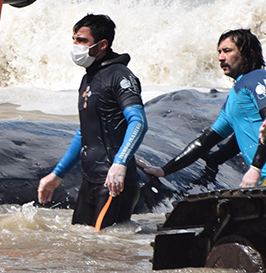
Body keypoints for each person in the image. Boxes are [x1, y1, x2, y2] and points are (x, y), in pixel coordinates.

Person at [37, 14, 148, 229]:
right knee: (81, 246)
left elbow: (138, 122)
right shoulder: (88, 78)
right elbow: (85, 132)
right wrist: (57, 174)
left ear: (102, 44)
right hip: (90, 181)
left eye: (82, 40)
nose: (75, 46)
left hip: (114, 182)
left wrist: (120, 162)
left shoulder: (121, 76)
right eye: (74, 39)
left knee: (105, 251)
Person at [139, 29, 266, 188]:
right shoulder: (235, 97)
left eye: (227, 51)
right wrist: (164, 170)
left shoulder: (257, 77)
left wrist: (255, 168)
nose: (220, 58)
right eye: (219, 52)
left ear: (248, 53)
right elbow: (205, 142)